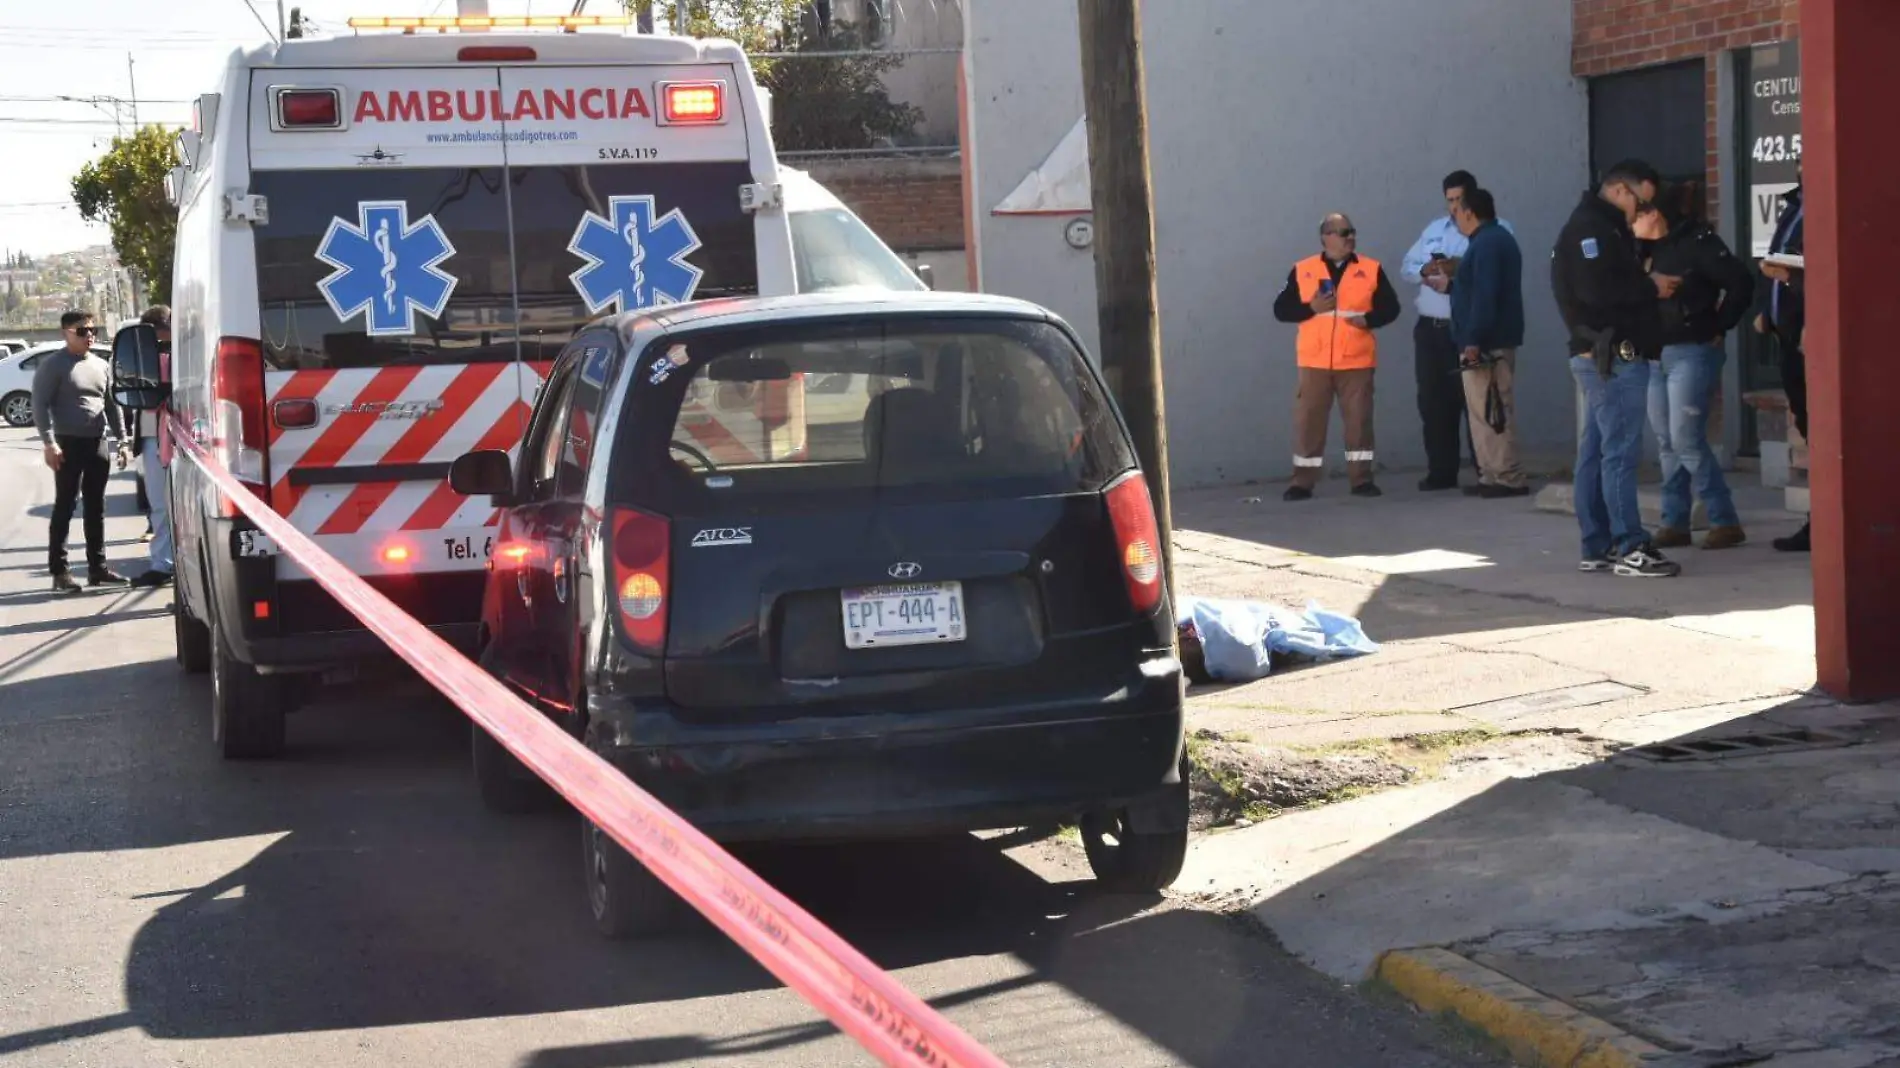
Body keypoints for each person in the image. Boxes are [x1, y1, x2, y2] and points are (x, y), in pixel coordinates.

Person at [1551, 159, 1681, 578]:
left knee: (1596, 449)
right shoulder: (1592, 228)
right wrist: (1650, 285)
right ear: (1621, 191)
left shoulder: (1599, 226)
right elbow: (1597, 292)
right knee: (1619, 454)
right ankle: (1631, 546)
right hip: (1612, 355)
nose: (1642, 213)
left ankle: (1598, 544)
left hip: (1602, 354)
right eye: (1641, 203)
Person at [1638, 180, 1754, 551]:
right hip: (1656, 353)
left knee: (1686, 437)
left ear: (1655, 214)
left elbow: (1740, 282)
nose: (1633, 220)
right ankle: (1674, 521)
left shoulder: (1698, 243)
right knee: (1666, 441)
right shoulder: (1642, 250)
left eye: (1640, 213)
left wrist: (1720, 325)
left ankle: (1723, 518)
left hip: (1692, 347)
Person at [1271, 212, 1402, 500]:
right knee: (1309, 425)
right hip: (1314, 362)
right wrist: (1311, 308)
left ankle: (1361, 480)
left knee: (1359, 424)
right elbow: (1280, 310)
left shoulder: (1371, 268)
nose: (1350, 237)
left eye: (1352, 232)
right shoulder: (1303, 269)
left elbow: (1392, 308)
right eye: (1343, 233)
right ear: (1326, 237)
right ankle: (1302, 483)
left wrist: (1369, 320)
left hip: (1356, 361)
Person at [1401, 170, 1515, 491]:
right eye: (1449, 200)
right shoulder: (1434, 230)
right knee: (1434, 402)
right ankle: (1441, 470)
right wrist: (1426, 269)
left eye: (1459, 200)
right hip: (1432, 328)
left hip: (1467, 327)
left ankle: (1489, 470)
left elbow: (1486, 280)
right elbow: (1406, 267)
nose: (1453, 207)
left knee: (1480, 402)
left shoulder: (1494, 232)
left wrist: (1455, 271)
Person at [32, 309, 129, 593]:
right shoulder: (54, 366)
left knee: (96, 506)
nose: (89, 335)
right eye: (82, 331)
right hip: (67, 444)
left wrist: (122, 440)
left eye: (92, 330)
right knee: (65, 505)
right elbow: (39, 405)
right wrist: (49, 443)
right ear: (66, 333)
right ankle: (60, 572)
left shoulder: (100, 364)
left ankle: (97, 568)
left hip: (97, 442)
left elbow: (111, 405)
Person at [1448, 188, 1529, 498]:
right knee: (1483, 411)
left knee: (1493, 409)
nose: (1454, 216)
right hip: (1485, 340)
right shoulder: (1487, 241)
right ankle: (1492, 474)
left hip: (1488, 344)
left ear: (1469, 212)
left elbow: (1485, 296)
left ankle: (1507, 476)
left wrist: (1473, 339)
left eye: (1457, 211)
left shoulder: (1489, 243)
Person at [1755, 178, 1808, 553]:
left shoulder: (1829, 203)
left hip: (1811, 338)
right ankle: (1816, 520)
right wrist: (1767, 311)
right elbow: (1779, 260)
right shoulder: (1793, 207)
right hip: (1787, 338)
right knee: (1809, 432)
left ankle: (1827, 521)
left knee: (1824, 434)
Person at [131, 305, 175, 588]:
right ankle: (163, 564)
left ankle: (166, 563)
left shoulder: (181, 355)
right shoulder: (145, 358)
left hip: (175, 437)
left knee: (164, 505)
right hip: (153, 438)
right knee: (159, 505)